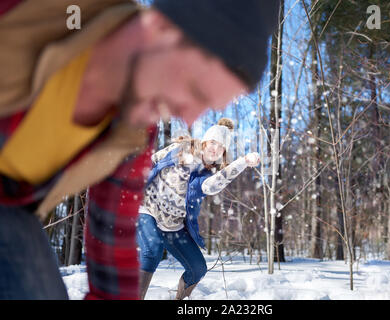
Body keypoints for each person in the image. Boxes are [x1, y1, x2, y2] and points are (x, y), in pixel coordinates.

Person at [0, 0, 279, 299]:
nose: (189, 117)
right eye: (195, 90)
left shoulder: (136, 130)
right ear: (161, 28)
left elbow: (112, 232)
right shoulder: (42, 13)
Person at [137, 118, 260, 300]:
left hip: (172, 225)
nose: (215, 149)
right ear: (205, 141)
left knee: (197, 267)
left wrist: (241, 163)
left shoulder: (207, 173)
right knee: (152, 250)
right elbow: (151, 161)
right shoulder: (179, 150)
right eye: (213, 142)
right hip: (147, 210)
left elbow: (211, 187)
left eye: (221, 147)